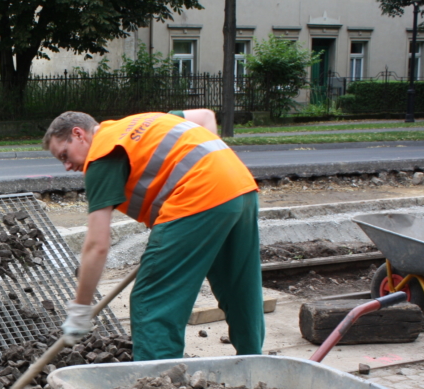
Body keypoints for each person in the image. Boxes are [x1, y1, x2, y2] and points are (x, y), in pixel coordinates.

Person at [44, 109, 264, 361]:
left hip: (198, 198)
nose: (67, 166)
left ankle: (157, 384)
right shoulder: (141, 124)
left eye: (65, 155)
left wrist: (80, 310)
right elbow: (205, 117)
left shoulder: (103, 153)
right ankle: (254, 362)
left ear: (78, 134)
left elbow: (96, 245)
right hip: (240, 188)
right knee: (238, 285)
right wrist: (210, 172)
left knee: (152, 300)